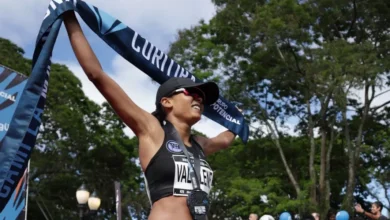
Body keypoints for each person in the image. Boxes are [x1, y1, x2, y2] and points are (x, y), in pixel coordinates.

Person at [63, 11, 238, 220]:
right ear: (167, 102)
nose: (199, 99)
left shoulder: (200, 145)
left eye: (201, 96)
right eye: (191, 93)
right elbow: (96, 74)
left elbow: (226, 139)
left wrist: (238, 117)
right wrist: (69, 18)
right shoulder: (152, 131)